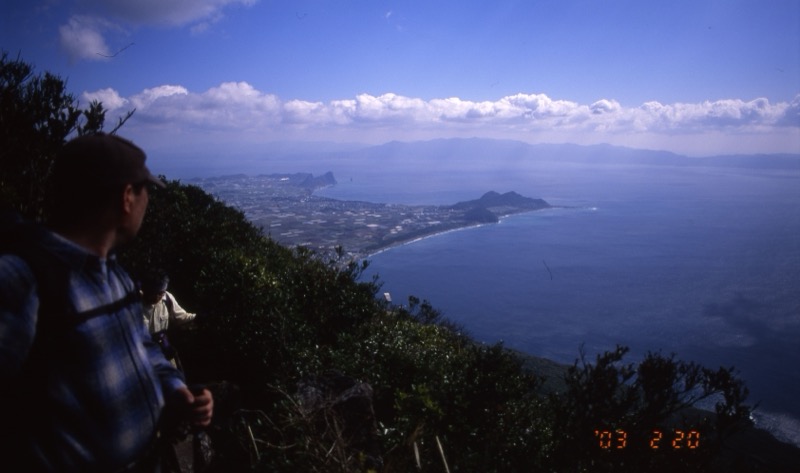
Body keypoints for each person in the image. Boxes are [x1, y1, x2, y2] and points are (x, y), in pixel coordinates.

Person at [0, 133, 213, 472]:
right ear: (127, 197)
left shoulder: (117, 277)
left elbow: (144, 349)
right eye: (145, 191)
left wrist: (175, 389)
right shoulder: (22, 280)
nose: (148, 203)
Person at [141, 272, 197, 369]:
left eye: (161, 293)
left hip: (164, 353)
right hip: (142, 357)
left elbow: (182, 317)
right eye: (155, 293)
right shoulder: (133, 304)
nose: (158, 297)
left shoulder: (167, 299)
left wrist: (198, 317)